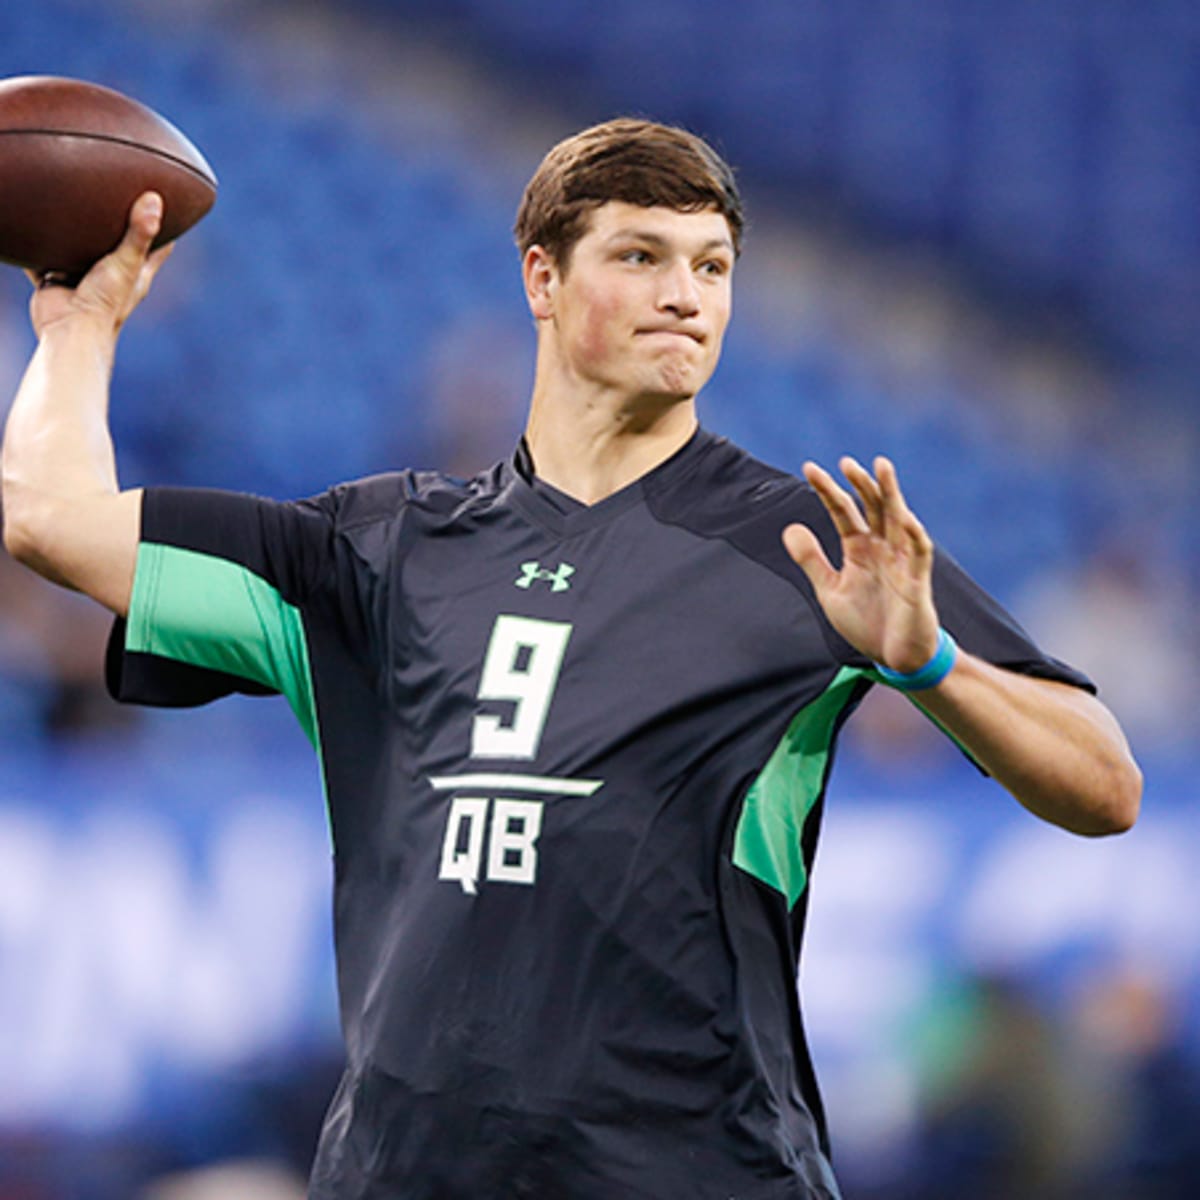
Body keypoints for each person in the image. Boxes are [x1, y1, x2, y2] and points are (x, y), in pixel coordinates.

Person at [1, 118, 1141, 1199]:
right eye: (642, 255)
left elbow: (1104, 785)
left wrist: (931, 660)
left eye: (712, 265)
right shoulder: (373, 551)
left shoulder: (802, 547)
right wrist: (80, 327)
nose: (686, 296)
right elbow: (51, 519)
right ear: (541, 278)